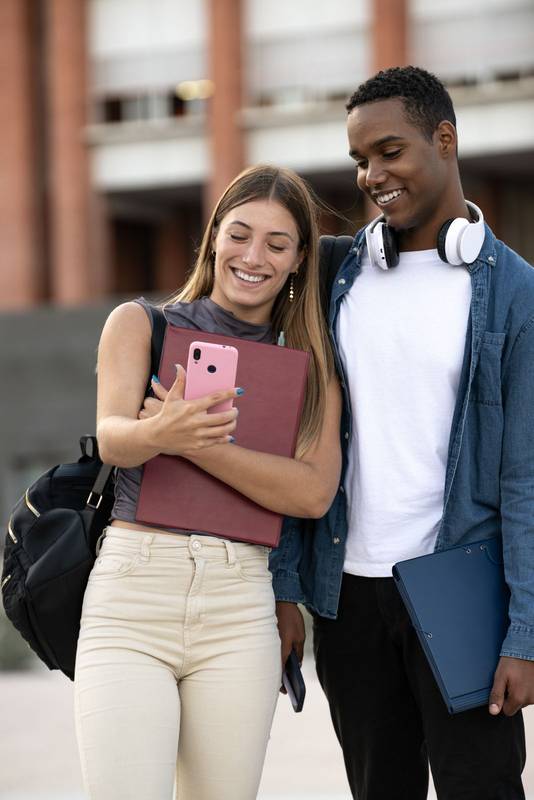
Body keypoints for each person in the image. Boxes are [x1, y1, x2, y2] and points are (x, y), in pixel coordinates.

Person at [271, 66, 534, 799]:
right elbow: (296, 435)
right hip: (347, 593)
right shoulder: (335, 275)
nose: (372, 175)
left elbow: (526, 477)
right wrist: (285, 588)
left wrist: (527, 636)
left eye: (390, 152)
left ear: (444, 139)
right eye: (360, 160)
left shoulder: (515, 294)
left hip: (462, 593)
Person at [74, 164, 342, 800]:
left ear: (300, 259)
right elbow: (114, 436)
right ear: (213, 238)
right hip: (134, 592)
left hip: (241, 603)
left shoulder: (310, 367)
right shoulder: (143, 324)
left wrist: (192, 440)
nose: (254, 257)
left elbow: (311, 493)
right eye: (239, 235)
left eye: (277, 244)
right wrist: (160, 434)